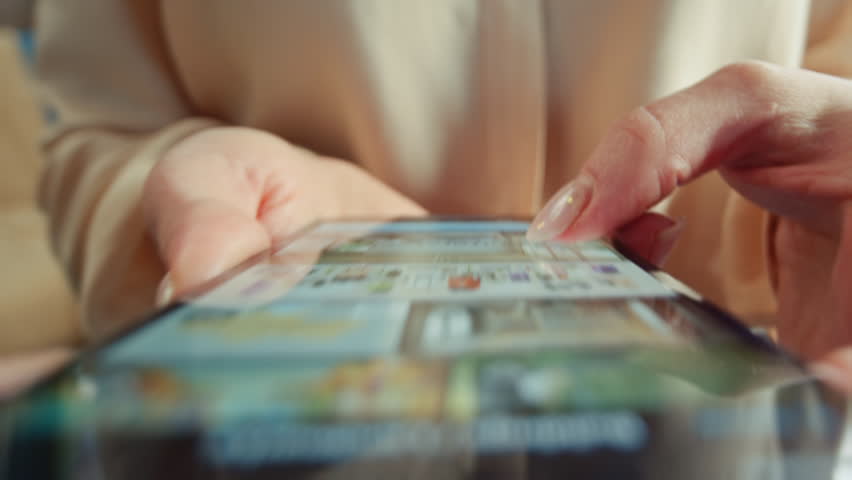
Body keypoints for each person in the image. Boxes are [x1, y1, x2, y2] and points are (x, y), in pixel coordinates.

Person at [33, 0, 852, 389]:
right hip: (307, 409)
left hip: (715, 404)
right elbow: (90, 132)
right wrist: (178, 194)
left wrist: (808, 242)